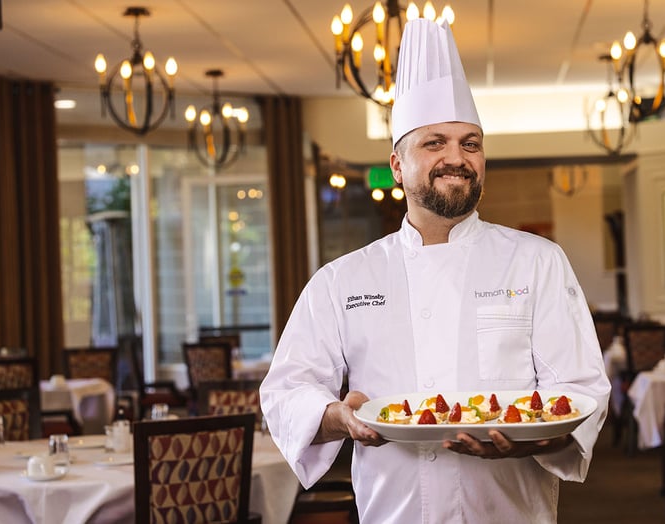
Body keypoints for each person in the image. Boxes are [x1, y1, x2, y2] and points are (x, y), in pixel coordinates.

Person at [260, 18, 610, 523]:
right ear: (398, 166)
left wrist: (527, 439)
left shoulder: (538, 261)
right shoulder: (342, 281)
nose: (457, 158)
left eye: (471, 143)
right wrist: (337, 416)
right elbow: (286, 392)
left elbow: (581, 388)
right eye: (434, 143)